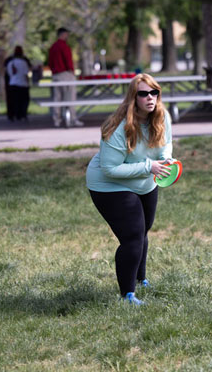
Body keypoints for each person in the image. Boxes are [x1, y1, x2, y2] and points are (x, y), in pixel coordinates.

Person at [86, 73, 174, 305]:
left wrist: (165, 159)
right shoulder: (118, 128)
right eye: (143, 94)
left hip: (145, 180)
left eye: (154, 92)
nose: (150, 98)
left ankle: (140, 279)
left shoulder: (162, 116)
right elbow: (109, 169)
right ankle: (127, 295)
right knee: (133, 235)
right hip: (109, 185)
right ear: (133, 98)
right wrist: (149, 166)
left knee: (143, 229)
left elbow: (166, 143)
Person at [48, 27, 83, 127]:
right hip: (65, 74)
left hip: (56, 75)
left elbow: (50, 62)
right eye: (67, 35)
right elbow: (68, 61)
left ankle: (56, 119)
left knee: (57, 98)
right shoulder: (64, 46)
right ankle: (72, 118)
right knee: (70, 97)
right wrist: (71, 71)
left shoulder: (53, 47)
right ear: (63, 34)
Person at [6, 46, 31, 121]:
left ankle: (14, 114)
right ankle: (22, 114)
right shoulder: (23, 62)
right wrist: (28, 83)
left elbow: (9, 74)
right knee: (23, 101)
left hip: (12, 83)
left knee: (14, 101)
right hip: (22, 84)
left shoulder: (10, 63)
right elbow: (26, 74)